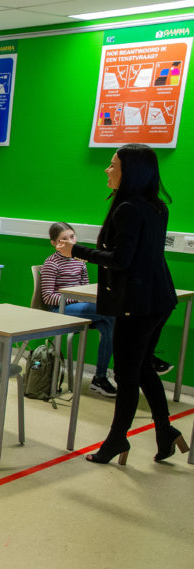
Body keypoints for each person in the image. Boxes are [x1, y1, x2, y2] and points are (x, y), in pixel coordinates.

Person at [55, 144, 185, 465]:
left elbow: (121, 260)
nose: (107, 170)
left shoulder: (127, 207)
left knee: (127, 375)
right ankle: (165, 431)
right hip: (159, 298)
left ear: (131, 172)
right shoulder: (156, 206)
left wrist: (76, 251)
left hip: (137, 303)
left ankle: (116, 441)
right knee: (141, 370)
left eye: (113, 166)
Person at [40, 222, 117, 398]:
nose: (69, 242)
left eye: (72, 237)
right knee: (109, 312)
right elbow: (48, 297)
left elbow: (85, 287)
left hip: (81, 306)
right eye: (63, 239)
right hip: (60, 309)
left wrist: (81, 297)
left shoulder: (79, 262)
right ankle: (112, 373)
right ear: (53, 243)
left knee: (109, 325)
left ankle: (100, 377)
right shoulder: (52, 264)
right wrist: (73, 297)